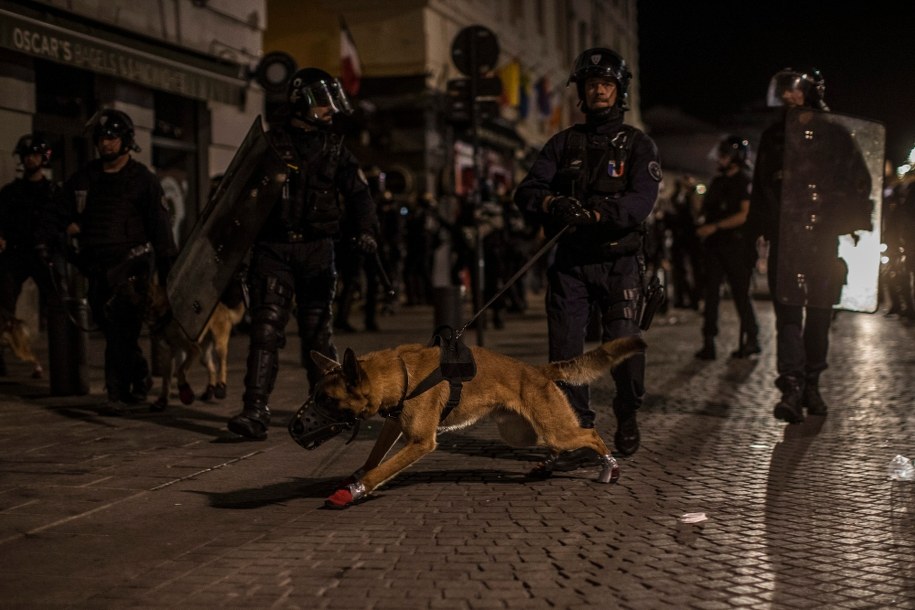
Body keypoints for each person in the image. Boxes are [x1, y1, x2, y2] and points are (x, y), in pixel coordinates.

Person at [514, 47, 661, 456]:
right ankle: (577, 435)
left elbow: (640, 201)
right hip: (571, 263)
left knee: (624, 347)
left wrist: (597, 214)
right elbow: (526, 191)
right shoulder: (563, 143)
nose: (599, 90)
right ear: (581, 91)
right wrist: (553, 203)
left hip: (620, 262)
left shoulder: (638, 145)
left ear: (619, 90)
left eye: (607, 84)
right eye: (592, 84)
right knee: (566, 356)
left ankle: (627, 410)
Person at [227, 67, 379, 440]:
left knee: (317, 336)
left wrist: (365, 230)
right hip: (273, 248)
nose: (329, 109)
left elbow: (359, 194)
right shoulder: (270, 144)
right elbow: (240, 196)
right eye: (322, 101)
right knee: (265, 330)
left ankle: (328, 409)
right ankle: (254, 410)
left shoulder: (335, 149)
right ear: (302, 102)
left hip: (317, 250)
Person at [747, 67, 873, 424]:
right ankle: (791, 385)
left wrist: (842, 215)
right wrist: (761, 227)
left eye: (796, 90)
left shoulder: (834, 134)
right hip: (786, 239)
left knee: (819, 313)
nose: (789, 97)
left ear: (811, 93)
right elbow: (762, 187)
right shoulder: (774, 137)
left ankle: (812, 382)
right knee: (787, 313)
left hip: (822, 239)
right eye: (784, 91)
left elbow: (859, 181)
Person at [64, 109, 178, 414]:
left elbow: (161, 230)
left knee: (121, 328)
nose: (106, 143)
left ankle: (116, 392)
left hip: (133, 267)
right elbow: (60, 211)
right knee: (113, 331)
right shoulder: (85, 178)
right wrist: (67, 227)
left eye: (112, 137)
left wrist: (168, 278)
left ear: (126, 141)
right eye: (102, 138)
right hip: (97, 267)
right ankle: (139, 377)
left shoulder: (143, 180)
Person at [0, 134, 70, 377]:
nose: (30, 159)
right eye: (26, 155)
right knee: (3, 304)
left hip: (44, 253)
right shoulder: (10, 193)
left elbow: (64, 223)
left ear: (43, 158)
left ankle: (63, 360)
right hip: (16, 254)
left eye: (34, 155)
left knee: (59, 304)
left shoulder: (54, 192)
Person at [694, 136, 760, 360]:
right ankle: (708, 340)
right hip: (714, 245)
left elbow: (745, 214)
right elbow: (705, 209)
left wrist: (715, 227)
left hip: (736, 245)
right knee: (711, 294)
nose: (720, 159)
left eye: (724, 155)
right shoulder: (718, 181)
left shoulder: (744, 180)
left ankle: (752, 338)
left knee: (741, 294)